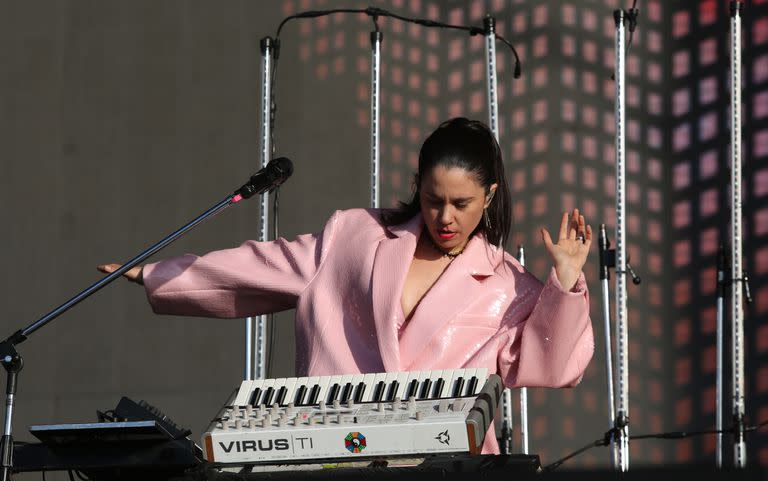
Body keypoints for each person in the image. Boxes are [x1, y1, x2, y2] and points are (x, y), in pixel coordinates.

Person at [98, 117, 594, 454]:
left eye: (460, 203)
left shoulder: (509, 285)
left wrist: (567, 282)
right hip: (338, 456)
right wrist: (158, 272)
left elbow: (555, 365)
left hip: (448, 480)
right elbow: (265, 264)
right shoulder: (356, 238)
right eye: (432, 199)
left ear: (489, 196)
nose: (444, 216)